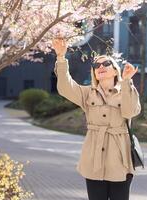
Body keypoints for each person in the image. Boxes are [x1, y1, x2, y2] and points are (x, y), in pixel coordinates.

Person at [52, 37, 141, 200]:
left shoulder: (127, 91)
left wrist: (127, 81)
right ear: (93, 72)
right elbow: (65, 87)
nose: (100, 67)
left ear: (115, 70)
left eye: (106, 64)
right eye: (96, 65)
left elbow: (130, 112)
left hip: (119, 159)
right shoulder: (87, 93)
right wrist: (61, 58)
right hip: (93, 158)